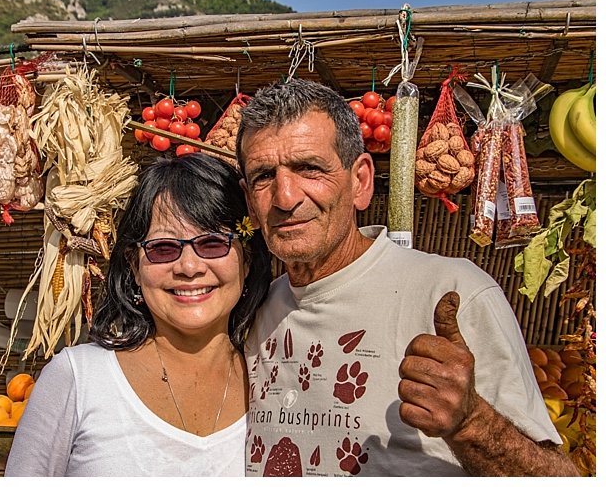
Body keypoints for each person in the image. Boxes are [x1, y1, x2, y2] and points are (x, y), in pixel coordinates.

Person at [235, 79, 575, 477]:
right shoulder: (253, 313)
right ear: (249, 203)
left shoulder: (452, 292)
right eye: (263, 176)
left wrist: (471, 423)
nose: (285, 197)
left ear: (360, 181)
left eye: (310, 168)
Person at [5, 154, 272, 476]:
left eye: (213, 243)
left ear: (246, 259)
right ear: (134, 265)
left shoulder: (277, 380)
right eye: (163, 248)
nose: (189, 267)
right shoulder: (78, 379)